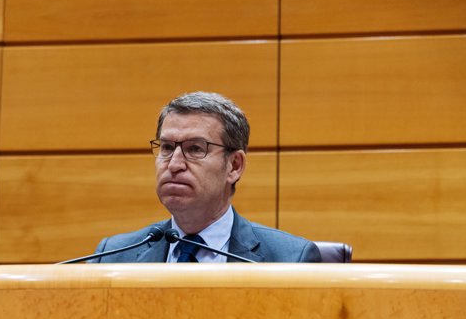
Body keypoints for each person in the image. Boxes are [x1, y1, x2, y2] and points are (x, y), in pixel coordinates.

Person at [91, 91, 321, 263]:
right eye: (168, 147)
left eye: (195, 149)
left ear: (234, 166)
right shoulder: (113, 256)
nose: (175, 164)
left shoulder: (290, 260)